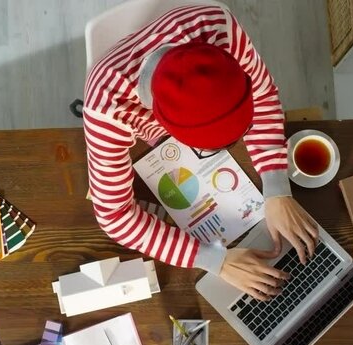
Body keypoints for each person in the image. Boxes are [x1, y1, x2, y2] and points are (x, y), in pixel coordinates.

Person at [83, 5, 317, 301]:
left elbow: (264, 93)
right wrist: (214, 260)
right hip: (138, 117)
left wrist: (276, 188)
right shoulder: (106, 108)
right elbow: (114, 216)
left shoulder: (220, 27)